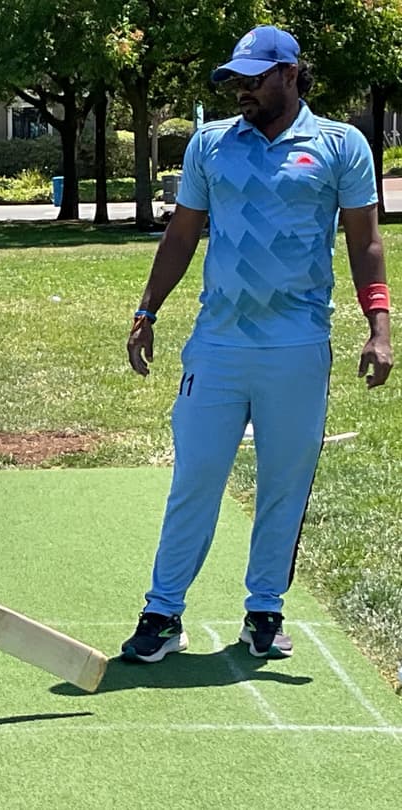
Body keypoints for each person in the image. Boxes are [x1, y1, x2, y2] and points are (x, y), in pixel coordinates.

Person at [122, 25, 393, 664]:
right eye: (234, 79)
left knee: (284, 484)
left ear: (291, 73)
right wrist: (146, 311)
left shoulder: (340, 144)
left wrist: (379, 327)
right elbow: (183, 235)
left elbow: (366, 240)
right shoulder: (211, 145)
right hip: (216, 348)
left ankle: (264, 611)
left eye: (254, 77)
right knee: (196, 478)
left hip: (299, 348)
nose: (241, 89)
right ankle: (162, 613)